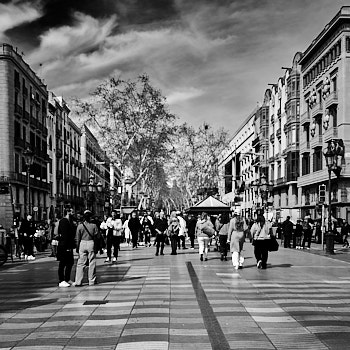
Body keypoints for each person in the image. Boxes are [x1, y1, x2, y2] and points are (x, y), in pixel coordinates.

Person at [74, 210, 99, 286]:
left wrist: (77, 247)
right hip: (91, 243)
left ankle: (78, 281)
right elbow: (97, 236)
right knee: (92, 262)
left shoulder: (80, 226)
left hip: (82, 243)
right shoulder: (94, 226)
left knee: (81, 263)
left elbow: (77, 238)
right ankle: (91, 280)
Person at [57, 208, 76, 287]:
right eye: (71, 211)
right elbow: (65, 235)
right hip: (64, 246)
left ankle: (67, 279)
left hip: (69, 245)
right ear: (67, 212)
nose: (73, 213)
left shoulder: (70, 221)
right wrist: (66, 246)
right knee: (63, 263)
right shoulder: (63, 221)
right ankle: (61, 280)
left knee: (70, 262)